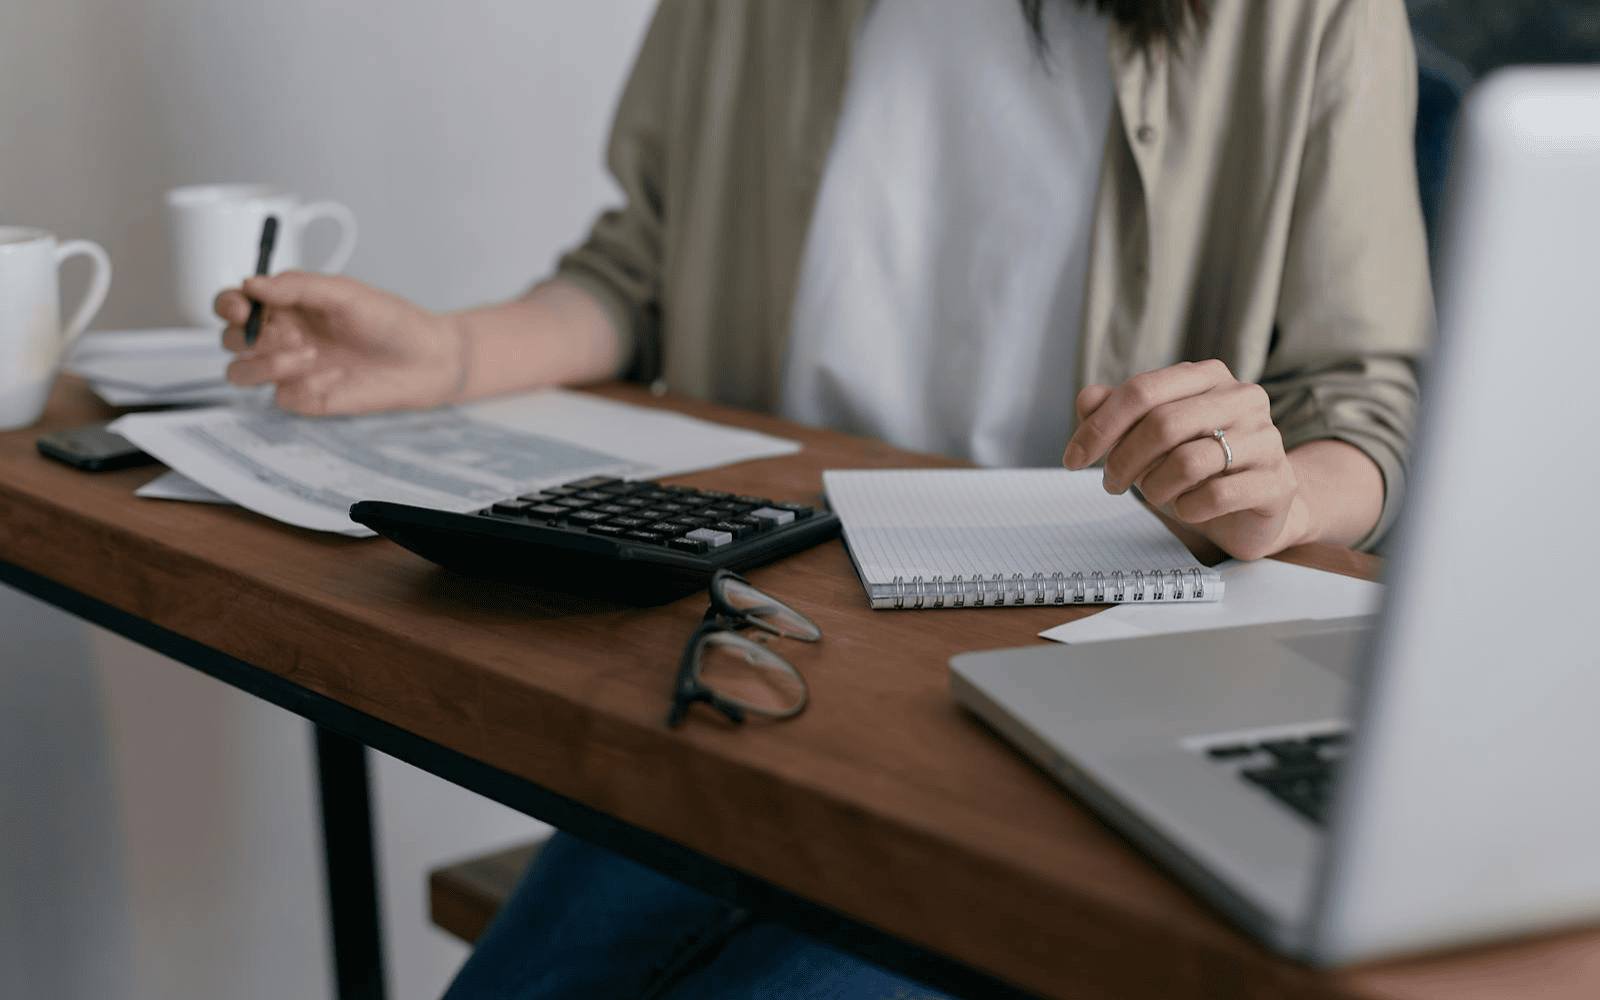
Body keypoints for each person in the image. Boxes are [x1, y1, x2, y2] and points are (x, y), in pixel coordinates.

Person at [216, 0, 1432, 995]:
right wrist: (446, 351)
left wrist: (1273, 496)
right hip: (772, 651)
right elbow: (638, 274)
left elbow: (1365, 400)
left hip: (1093, 668)